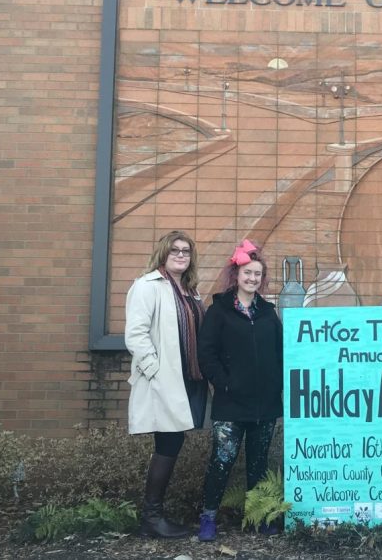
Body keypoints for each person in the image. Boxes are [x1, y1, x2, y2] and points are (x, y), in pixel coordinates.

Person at [196, 239, 284, 542]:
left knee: (259, 464)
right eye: (248, 273)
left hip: (265, 404)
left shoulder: (268, 312)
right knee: (222, 462)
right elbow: (206, 354)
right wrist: (225, 382)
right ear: (237, 274)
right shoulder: (219, 309)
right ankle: (207, 518)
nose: (252, 279)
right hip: (231, 403)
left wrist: (279, 387)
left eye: (257, 274)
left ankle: (257, 518)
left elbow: (280, 352)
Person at [125, 230, 209, 538]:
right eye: (175, 249)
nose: (181, 255)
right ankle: (151, 517)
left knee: (173, 441)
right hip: (164, 379)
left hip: (188, 379)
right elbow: (135, 333)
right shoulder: (147, 286)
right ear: (163, 253)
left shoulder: (189, 291)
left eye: (186, 251)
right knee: (169, 442)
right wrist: (154, 370)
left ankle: (154, 515)